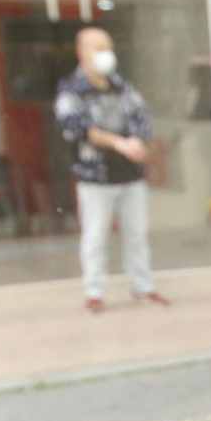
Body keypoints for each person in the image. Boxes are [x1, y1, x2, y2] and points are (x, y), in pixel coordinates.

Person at [54, 26, 168, 313]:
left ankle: (143, 287)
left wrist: (136, 142)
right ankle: (94, 292)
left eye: (108, 48)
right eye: (98, 48)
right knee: (95, 236)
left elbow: (142, 117)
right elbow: (73, 126)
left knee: (137, 234)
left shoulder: (123, 87)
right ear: (82, 53)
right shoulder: (71, 90)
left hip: (131, 177)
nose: (106, 55)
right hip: (95, 179)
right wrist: (117, 142)